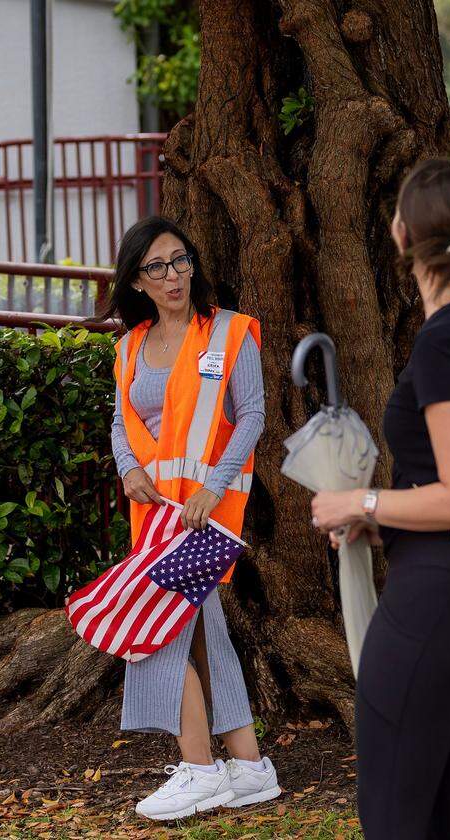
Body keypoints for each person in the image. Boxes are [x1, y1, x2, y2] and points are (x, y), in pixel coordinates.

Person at [310, 159, 450, 839]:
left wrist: (361, 505)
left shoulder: (445, 342)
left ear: (400, 230)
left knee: (395, 822)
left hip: (439, 603)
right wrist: (398, 527)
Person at [100, 216, 280, 820]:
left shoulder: (230, 332)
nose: (172, 275)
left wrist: (211, 488)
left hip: (205, 515)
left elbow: (252, 415)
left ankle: (201, 769)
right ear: (136, 282)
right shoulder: (129, 346)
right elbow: (122, 423)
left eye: (180, 260)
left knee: (151, 631)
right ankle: (250, 766)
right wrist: (128, 470)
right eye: (156, 267)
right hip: (153, 518)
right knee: (202, 631)